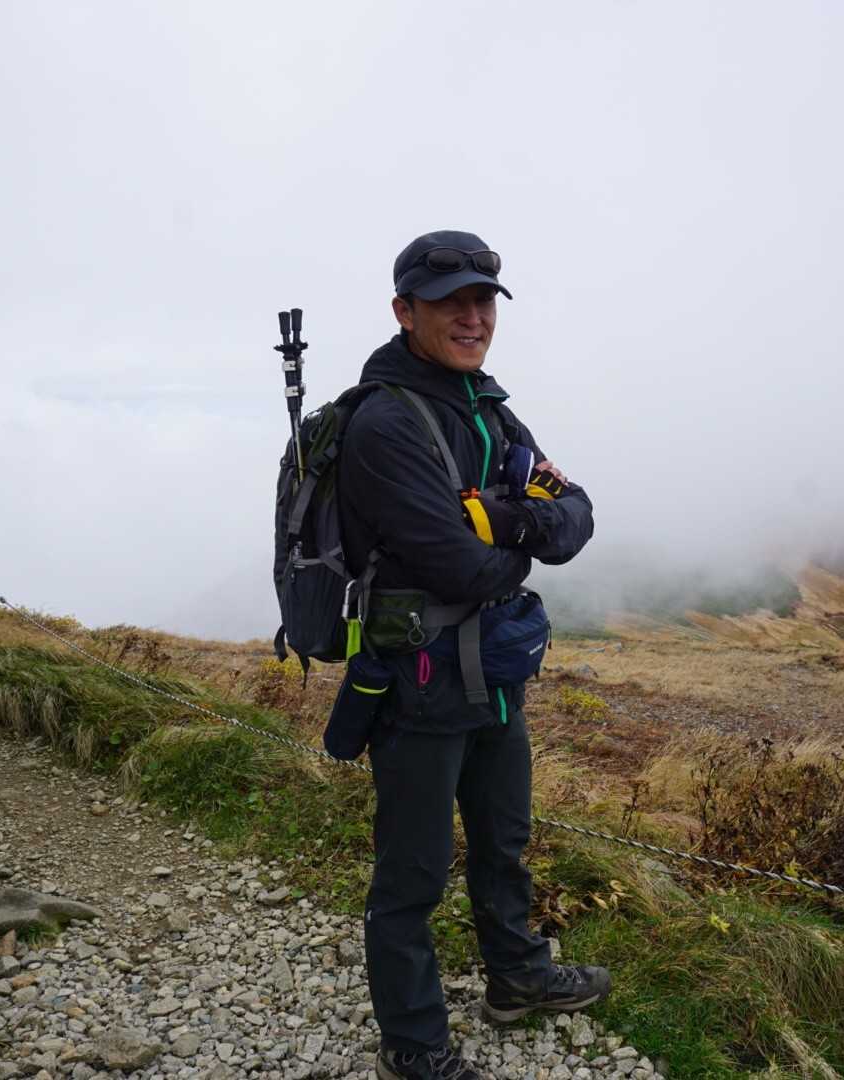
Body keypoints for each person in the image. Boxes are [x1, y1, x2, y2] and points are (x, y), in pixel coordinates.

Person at [337, 230, 610, 1080]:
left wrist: (501, 518)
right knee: (412, 873)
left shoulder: (488, 408)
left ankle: (518, 978)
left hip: (491, 671)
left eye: (483, 300)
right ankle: (414, 1043)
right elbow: (463, 566)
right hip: (418, 678)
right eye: (449, 301)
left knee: (504, 840)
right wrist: (522, 537)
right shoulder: (386, 422)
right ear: (403, 311)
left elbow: (577, 513)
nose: (472, 317)